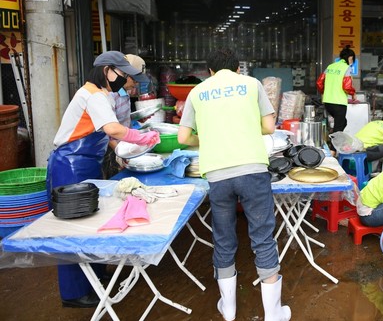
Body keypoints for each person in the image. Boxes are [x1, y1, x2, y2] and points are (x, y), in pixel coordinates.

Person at [177, 48, 291, 321]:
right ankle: (273, 313)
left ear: (210, 71)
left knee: (223, 238)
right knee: (262, 237)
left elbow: (183, 138)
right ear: (237, 68)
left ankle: (228, 309)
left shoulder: (197, 92)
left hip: (217, 174)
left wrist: (206, 137)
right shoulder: (252, 85)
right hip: (252, 169)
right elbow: (269, 127)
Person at [45, 50, 160, 308]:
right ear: (107, 71)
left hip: (85, 165)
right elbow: (113, 129)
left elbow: (106, 137)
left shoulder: (102, 95)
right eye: (124, 75)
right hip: (70, 166)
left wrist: (121, 152)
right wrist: (143, 138)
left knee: (92, 222)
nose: (126, 81)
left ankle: (95, 275)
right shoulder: (93, 94)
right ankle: (74, 292)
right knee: (73, 230)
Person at [102, 53, 150, 178]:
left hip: (120, 146)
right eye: (134, 79)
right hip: (110, 149)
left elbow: (120, 118)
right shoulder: (110, 94)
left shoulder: (124, 92)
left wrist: (135, 117)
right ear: (123, 74)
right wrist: (120, 152)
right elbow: (106, 129)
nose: (136, 84)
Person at [316, 45, 357, 135]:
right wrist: (353, 94)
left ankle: (332, 139)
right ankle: (334, 147)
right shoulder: (346, 68)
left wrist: (323, 92)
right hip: (339, 103)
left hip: (328, 103)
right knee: (338, 128)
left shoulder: (330, 66)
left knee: (343, 123)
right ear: (350, 58)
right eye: (352, 59)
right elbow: (347, 86)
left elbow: (319, 82)